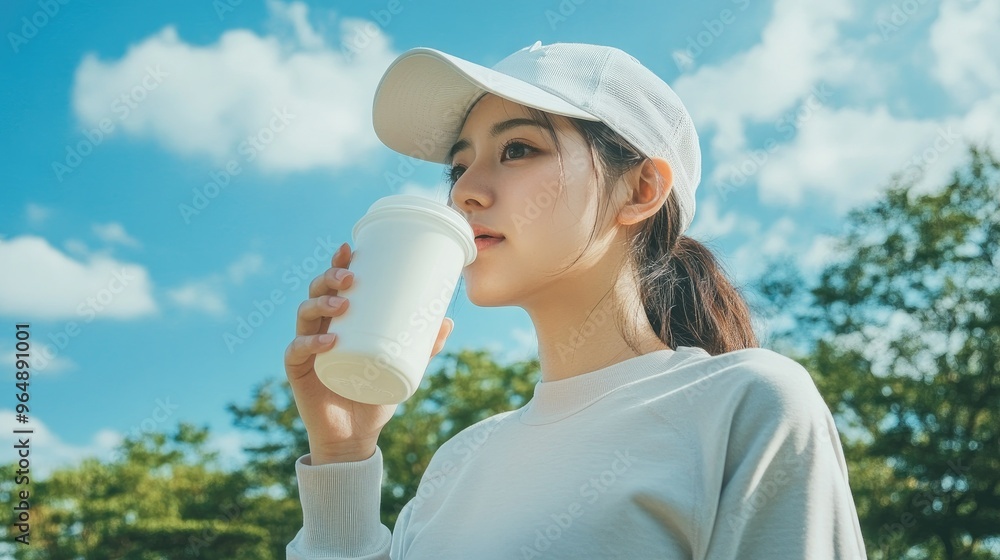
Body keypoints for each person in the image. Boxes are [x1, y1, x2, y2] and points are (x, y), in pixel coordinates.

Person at [284, 41, 868, 559]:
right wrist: (343, 451)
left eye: (516, 149)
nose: (463, 190)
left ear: (640, 189)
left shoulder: (746, 403)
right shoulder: (458, 464)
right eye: (458, 167)